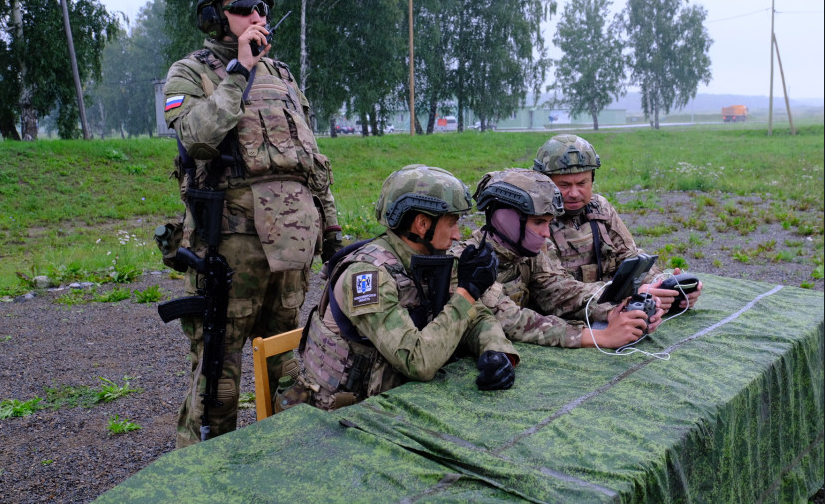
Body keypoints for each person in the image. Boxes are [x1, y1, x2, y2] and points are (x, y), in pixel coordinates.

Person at [162, 0, 341, 447]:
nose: (255, 15)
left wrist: (334, 234)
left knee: (283, 358)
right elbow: (196, 138)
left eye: (261, 8)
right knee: (218, 370)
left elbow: (311, 162)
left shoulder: (283, 77)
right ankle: (203, 474)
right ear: (214, 18)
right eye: (242, 8)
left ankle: (277, 460)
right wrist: (238, 72)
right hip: (230, 247)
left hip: (290, 249)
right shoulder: (190, 72)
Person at [297, 165, 519, 411]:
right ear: (422, 224)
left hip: (396, 399)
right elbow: (417, 362)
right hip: (343, 413)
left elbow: (476, 317)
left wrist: (495, 350)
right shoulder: (366, 277)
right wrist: (466, 292)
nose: (458, 235)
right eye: (453, 223)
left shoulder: (430, 258)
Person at [454, 168, 662, 349]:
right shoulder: (468, 263)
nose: (546, 233)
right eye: (538, 223)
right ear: (507, 221)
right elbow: (512, 320)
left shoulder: (526, 253)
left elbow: (560, 290)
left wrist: (617, 310)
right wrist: (599, 336)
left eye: (549, 222)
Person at [533, 134, 702, 312]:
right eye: (564, 185)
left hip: (605, 304)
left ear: (592, 179)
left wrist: (662, 286)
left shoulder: (600, 208)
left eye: (582, 183)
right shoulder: (536, 220)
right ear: (546, 182)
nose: (574, 193)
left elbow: (629, 257)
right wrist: (625, 295)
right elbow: (553, 289)